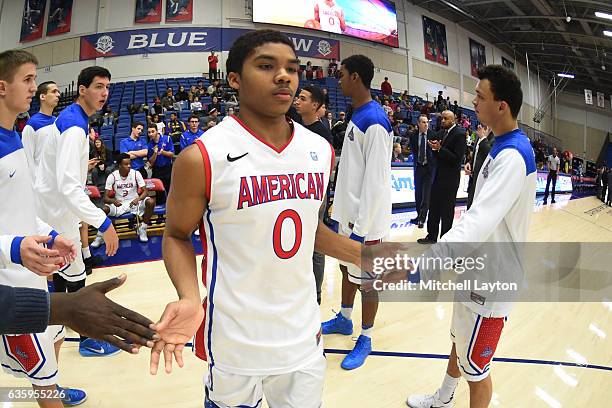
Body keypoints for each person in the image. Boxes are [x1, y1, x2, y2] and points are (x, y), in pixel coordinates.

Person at [148, 29, 362, 408]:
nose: (284, 76)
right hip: (235, 342)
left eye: (292, 69)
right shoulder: (202, 156)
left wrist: (373, 257)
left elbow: (310, 229)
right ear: (234, 78)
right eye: (267, 66)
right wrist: (188, 296)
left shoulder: (320, 150)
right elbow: (177, 235)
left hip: (303, 337)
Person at [406, 65, 536, 408]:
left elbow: (479, 219)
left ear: (502, 106)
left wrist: (434, 258)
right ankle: (444, 398)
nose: (473, 101)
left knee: (477, 369)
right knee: (458, 340)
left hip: (492, 282)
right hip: (476, 267)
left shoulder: (512, 156)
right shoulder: (499, 144)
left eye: (480, 96)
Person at [0, 49, 86, 407]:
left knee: (54, 340)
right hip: (9, 283)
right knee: (41, 374)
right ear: (2, 87)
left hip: (32, 273)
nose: (35, 87)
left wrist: (51, 235)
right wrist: (15, 247)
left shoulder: (15, 136)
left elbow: (20, 208)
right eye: (28, 79)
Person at [34, 66, 120, 360]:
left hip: (52, 207)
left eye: (107, 87)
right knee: (76, 275)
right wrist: (104, 222)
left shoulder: (73, 118)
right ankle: (86, 339)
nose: (104, 93)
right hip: (58, 211)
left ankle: (61, 328)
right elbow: (69, 188)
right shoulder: (73, 125)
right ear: (82, 90)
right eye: (98, 86)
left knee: (62, 273)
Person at [321, 54, 393, 370]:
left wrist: (361, 230)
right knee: (345, 271)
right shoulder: (359, 113)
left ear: (356, 78)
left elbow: (376, 183)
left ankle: (366, 336)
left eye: (343, 75)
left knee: (368, 281)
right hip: (348, 217)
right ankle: (345, 319)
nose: (339, 80)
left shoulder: (375, 121)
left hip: (366, 224)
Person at [0, 275, 157, 351]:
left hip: (31, 299)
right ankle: (53, 389)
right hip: (22, 306)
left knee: (57, 339)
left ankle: (56, 387)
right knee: (42, 378)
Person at [294, 84, 333, 305]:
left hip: (314, 196)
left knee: (316, 245)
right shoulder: (295, 127)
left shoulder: (322, 134)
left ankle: (316, 293)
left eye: (303, 98)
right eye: (298, 97)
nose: (297, 101)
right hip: (294, 195)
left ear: (315, 105)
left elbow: (325, 171)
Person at [417, 110, 466, 244]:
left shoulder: (460, 134)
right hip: (438, 177)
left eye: (446, 119)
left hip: (450, 180)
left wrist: (440, 149)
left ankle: (445, 240)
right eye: (442, 118)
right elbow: (440, 154)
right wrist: (434, 148)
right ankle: (431, 236)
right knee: (434, 208)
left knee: (447, 212)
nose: (443, 121)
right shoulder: (443, 132)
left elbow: (457, 159)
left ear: (453, 120)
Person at [92, 153, 156, 245]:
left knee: (150, 202)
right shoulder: (112, 176)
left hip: (134, 203)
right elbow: (105, 198)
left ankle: (143, 228)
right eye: (126, 164)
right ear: (119, 166)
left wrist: (138, 199)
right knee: (104, 209)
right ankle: (100, 236)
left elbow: (145, 192)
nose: (129, 166)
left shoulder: (136, 173)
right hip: (120, 204)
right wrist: (113, 201)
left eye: (130, 164)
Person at [22, 80, 60, 181]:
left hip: (57, 181)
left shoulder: (57, 122)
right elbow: (27, 158)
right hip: (41, 184)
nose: (58, 95)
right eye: (54, 91)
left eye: (58, 92)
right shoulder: (32, 124)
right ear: (42, 96)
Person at [409, 114, 437, 228]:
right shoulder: (413, 136)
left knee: (426, 194)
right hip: (419, 167)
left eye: (427, 122)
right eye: (424, 122)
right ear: (419, 124)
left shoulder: (433, 135)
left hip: (429, 168)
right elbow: (414, 151)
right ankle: (418, 215)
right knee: (418, 193)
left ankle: (422, 218)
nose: (426, 124)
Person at [465, 124, 493, 209]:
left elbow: (490, 156)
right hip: (473, 180)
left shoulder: (496, 138)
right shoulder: (479, 135)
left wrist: (483, 138)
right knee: (469, 209)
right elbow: (477, 154)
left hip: (484, 183)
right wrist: (470, 163)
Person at [146, 123, 174, 204]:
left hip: (168, 168)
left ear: (157, 131)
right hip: (157, 170)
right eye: (149, 132)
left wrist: (163, 152)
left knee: (170, 190)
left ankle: (171, 210)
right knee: (159, 193)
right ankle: (160, 213)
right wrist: (155, 153)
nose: (151, 134)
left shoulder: (167, 138)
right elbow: (151, 161)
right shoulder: (149, 144)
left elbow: (172, 154)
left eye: (152, 131)